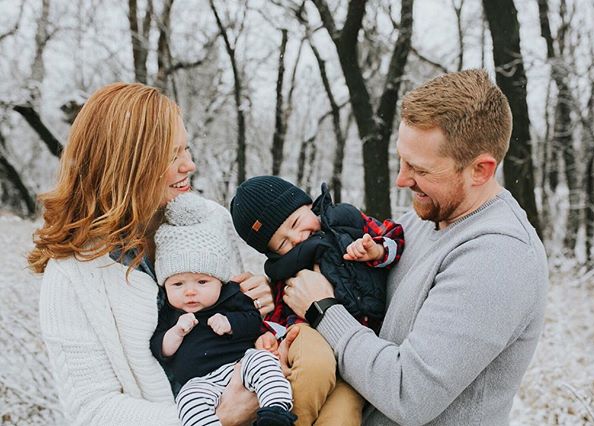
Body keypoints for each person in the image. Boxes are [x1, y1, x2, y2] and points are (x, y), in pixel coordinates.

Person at [283, 69, 549, 426]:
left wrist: (322, 311)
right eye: (402, 160)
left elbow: (408, 393)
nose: (401, 179)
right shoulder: (425, 219)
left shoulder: (499, 257)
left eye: (419, 169)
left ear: (480, 170)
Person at [28, 82, 275, 425]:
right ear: (126, 164)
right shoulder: (72, 273)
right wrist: (213, 419)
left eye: (187, 149)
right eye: (173, 154)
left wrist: (257, 303)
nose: (189, 164)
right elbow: (93, 410)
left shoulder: (210, 221)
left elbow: (234, 329)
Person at [230, 176, 405, 425]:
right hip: (310, 335)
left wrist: (376, 250)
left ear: (307, 205)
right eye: (283, 242)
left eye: (296, 222)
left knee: (344, 414)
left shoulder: (347, 224)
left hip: (359, 350)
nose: (297, 238)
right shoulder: (286, 269)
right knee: (314, 368)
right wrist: (267, 335)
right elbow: (278, 313)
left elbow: (394, 235)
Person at [151, 192, 296, 426]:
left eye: (202, 282)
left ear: (219, 280)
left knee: (264, 362)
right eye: (178, 284)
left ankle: (275, 412)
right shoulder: (170, 313)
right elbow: (160, 348)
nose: (190, 292)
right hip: (199, 382)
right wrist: (176, 333)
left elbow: (253, 322)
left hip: (239, 364)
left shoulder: (231, 297)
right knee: (187, 402)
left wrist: (230, 323)